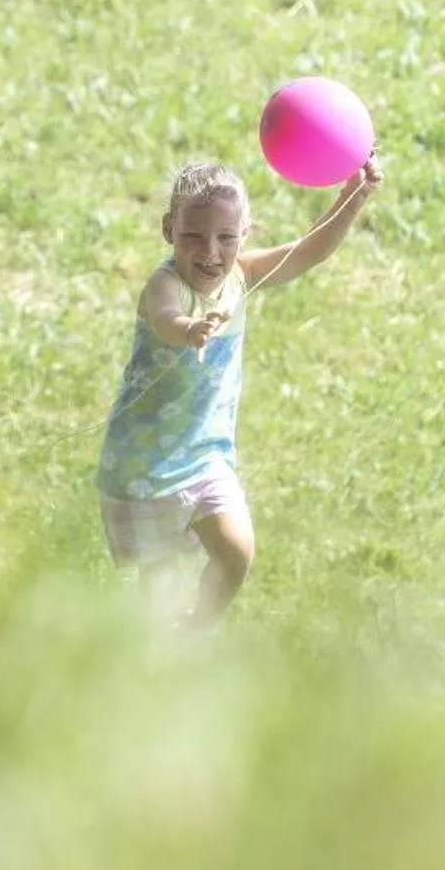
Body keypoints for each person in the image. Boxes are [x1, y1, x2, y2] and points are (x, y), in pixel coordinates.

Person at [95, 156, 383, 626]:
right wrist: (190, 329)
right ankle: (159, 649)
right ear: (169, 230)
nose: (210, 251)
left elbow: (308, 251)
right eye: (193, 236)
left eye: (226, 238)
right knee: (160, 586)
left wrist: (353, 198)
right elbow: (166, 318)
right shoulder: (165, 285)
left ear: (244, 234)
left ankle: (195, 630)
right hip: (145, 463)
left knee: (237, 551)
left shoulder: (241, 276)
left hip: (205, 454)